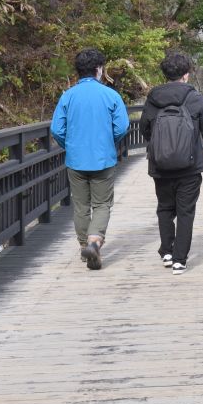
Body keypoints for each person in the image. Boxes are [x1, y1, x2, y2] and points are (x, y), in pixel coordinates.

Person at [50, 47, 130, 271]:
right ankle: (95, 242)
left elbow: (57, 129)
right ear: (99, 69)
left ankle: (85, 246)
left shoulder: (68, 96)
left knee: (81, 205)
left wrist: (70, 146)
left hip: (76, 159)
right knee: (102, 204)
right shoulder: (110, 95)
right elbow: (122, 126)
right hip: (103, 159)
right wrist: (108, 142)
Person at [141, 51, 203, 273]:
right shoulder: (195, 97)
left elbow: (145, 129)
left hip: (160, 166)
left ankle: (166, 251)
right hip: (190, 167)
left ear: (165, 74)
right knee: (185, 212)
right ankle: (179, 260)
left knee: (165, 207)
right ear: (186, 74)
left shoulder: (153, 98)